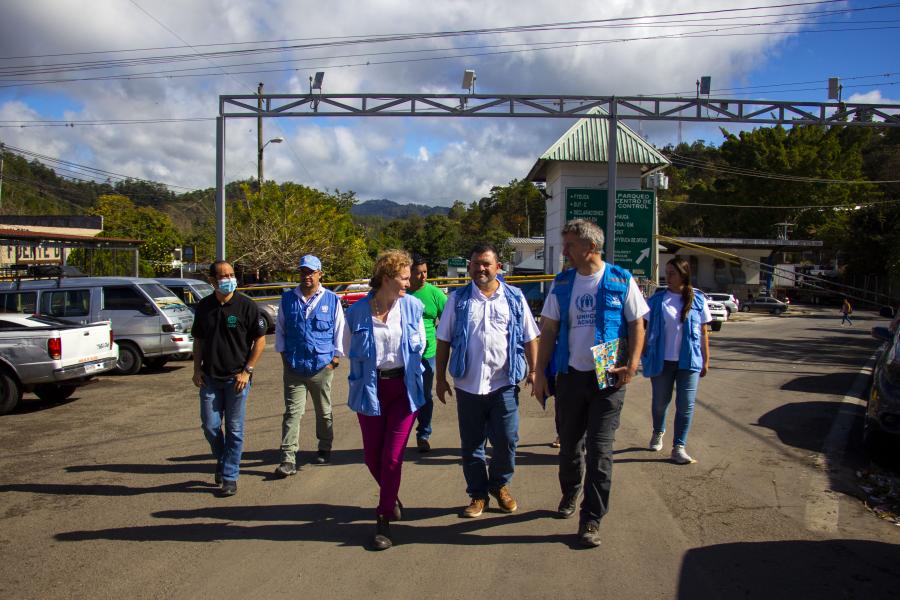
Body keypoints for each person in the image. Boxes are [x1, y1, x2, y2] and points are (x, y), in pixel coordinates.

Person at [534, 219, 648, 548]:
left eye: (570, 245)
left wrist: (633, 365)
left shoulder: (619, 279)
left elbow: (637, 324)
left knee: (600, 451)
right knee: (570, 447)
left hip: (607, 376)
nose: (565, 251)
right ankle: (570, 492)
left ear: (591, 248)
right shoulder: (564, 282)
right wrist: (541, 373)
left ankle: (591, 518)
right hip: (571, 376)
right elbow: (550, 329)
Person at [435, 243, 540, 518]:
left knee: (507, 441)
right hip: (468, 385)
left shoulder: (514, 298)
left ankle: (499, 485)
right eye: (476, 263)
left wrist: (534, 371)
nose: (481, 268)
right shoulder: (457, 300)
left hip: (503, 384)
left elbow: (530, 336)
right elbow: (443, 339)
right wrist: (440, 378)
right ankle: (478, 495)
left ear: (498, 267)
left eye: (486, 264)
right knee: (472, 445)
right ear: (469, 267)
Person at [343, 249, 426, 550]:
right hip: (370, 389)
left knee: (392, 458)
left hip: (404, 389)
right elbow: (348, 348)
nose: (410, 282)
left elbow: (421, 344)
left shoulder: (413, 307)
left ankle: (383, 519)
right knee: (371, 458)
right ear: (388, 278)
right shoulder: (356, 311)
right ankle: (391, 496)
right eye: (405, 278)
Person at [191, 260, 267, 497]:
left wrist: (248, 370)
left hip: (237, 379)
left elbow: (260, 339)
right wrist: (196, 370)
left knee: (235, 429)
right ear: (213, 281)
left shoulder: (246, 306)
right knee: (210, 426)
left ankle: (230, 476)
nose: (229, 279)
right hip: (210, 378)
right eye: (223, 276)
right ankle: (223, 460)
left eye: (231, 275)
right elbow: (199, 341)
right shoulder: (204, 307)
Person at [273, 254, 345, 477]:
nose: (307, 276)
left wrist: (334, 360)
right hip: (294, 367)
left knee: (324, 412)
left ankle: (325, 446)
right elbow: (281, 331)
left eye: (311, 272)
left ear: (320, 274)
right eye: (304, 272)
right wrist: (284, 357)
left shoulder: (332, 299)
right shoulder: (287, 299)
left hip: (321, 366)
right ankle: (288, 458)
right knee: (292, 414)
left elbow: (339, 332)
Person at [642, 257, 711, 465]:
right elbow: (642, 330)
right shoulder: (656, 300)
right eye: (667, 272)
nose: (668, 277)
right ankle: (658, 431)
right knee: (660, 403)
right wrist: (640, 355)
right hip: (661, 361)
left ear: (683, 274)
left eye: (672, 273)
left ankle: (679, 446)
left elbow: (703, 332)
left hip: (689, 361)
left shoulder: (698, 299)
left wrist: (706, 360)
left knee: (685, 405)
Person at [408, 254, 447, 453]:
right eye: (418, 272)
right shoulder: (401, 292)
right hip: (403, 356)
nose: (423, 276)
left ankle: (423, 433)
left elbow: (449, 321)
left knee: (424, 396)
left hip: (428, 355)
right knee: (403, 395)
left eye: (425, 272)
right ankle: (400, 433)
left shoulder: (435, 294)